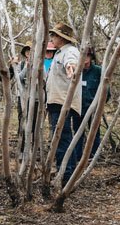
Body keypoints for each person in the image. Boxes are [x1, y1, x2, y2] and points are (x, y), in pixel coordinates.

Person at [45, 22, 82, 183]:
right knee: (62, 138)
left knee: (61, 138)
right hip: (56, 101)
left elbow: (71, 62)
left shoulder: (70, 51)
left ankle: (65, 174)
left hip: (63, 102)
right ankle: (68, 172)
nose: (51, 38)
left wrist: (71, 67)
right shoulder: (59, 53)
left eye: (54, 35)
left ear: (61, 37)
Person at [78, 47, 105, 157]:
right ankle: (78, 156)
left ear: (91, 57)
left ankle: (93, 155)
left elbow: (106, 90)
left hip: (94, 108)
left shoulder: (99, 71)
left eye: (88, 55)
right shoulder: (77, 70)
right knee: (78, 132)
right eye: (83, 55)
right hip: (78, 108)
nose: (85, 58)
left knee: (94, 132)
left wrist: (100, 105)